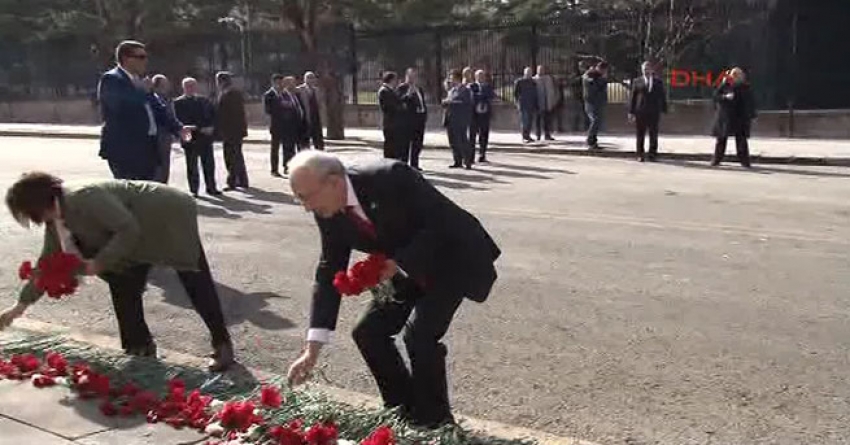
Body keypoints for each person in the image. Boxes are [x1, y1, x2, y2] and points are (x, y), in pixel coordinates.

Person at [284, 151, 501, 429]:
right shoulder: (327, 210)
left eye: (306, 196)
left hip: (451, 256)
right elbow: (329, 271)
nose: (305, 206)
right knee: (368, 332)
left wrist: (398, 263)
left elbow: (440, 225)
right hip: (400, 260)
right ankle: (404, 412)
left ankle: (437, 424)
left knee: (419, 337)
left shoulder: (389, 177)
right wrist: (312, 349)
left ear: (334, 182)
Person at [0, 173, 235, 372]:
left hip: (165, 215)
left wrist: (98, 264)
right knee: (122, 282)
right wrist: (18, 308)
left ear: (39, 204)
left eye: (31, 213)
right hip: (133, 229)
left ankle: (221, 344)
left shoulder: (84, 197)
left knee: (194, 279)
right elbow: (47, 264)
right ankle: (139, 348)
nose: (36, 221)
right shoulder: (56, 219)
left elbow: (127, 228)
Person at [97, 40, 192, 180]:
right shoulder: (112, 79)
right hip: (125, 149)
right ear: (126, 58)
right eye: (141, 57)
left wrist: (178, 128)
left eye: (146, 57)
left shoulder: (140, 81)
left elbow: (157, 108)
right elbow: (119, 107)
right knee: (133, 194)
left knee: (148, 192)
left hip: (147, 148)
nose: (145, 61)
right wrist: (143, 92)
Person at [173, 78, 221, 197]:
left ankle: (211, 187)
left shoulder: (204, 100)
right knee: (192, 165)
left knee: (209, 164)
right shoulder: (178, 103)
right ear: (183, 88)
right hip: (190, 138)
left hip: (205, 138)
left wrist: (212, 127)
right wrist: (199, 128)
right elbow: (182, 120)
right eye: (188, 86)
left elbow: (213, 115)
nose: (191, 88)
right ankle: (194, 190)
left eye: (193, 86)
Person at [711, 67, 757, 168]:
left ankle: (745, 161)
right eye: (734, 74)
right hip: (726, 117)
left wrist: (752, 114)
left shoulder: (745, 87)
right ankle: (717, 159)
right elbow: (715, 96)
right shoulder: (725, 85)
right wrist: (725, 97)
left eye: (738, 75)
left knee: (741, 140)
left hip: (740, 117)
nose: (736, 77)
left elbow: (750, 102)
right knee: (721, 139)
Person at [215, 71, 249, 190]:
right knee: (237, 155)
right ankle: (242, 180)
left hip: (231, 131)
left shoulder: (229, 93)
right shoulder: (233, 93)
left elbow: (227, 114)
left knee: (231, 157)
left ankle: (233, 181)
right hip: (235, 130)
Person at [628, 61, 668, 162]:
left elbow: (662, 96)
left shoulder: (657, 82)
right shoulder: (637, 81)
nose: (646, 71)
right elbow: (633, 97)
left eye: (647, 69)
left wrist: (664, 108)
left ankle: (652, 154)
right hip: (640, 111)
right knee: (640, 134)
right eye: (644, 69)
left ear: (651, 70)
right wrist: (631, 112)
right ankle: (640, 154)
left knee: (653, 133)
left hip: (654, 111)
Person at [264, 74, 303, 176]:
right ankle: (274, 169)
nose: (279, 85)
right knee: (275, 148)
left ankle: (287, 166)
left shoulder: (286, 94)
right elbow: (268, 110)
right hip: (276, 125)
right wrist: (281, 106)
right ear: (273, 83)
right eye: (277, 82)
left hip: (288, 125)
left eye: (281, 82)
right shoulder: (269, 95)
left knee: (288, 147)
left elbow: (293, 107)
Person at [150, 74, 182, 184]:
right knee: (159, 164)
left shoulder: (167, 99)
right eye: (164, 84)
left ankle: (163, 185)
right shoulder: (154, 99)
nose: (167, 86)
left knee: (165, 163)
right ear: (157, 86)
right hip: (158, 135)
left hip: (166, 135)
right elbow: (164, 117)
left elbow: (172, 116)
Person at [396, 68, 428, 170]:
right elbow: (399, 101)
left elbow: (422, 102)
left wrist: (424, 115)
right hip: (408, 121)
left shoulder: (419, 89)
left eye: (414, 76)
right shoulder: (402, 88)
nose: (412, 79)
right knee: (406, 144)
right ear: (406, 76)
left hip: (420, 120)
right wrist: (408, 94)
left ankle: (415, 164)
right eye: (410, 76)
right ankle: (404, 165)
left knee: (418, 143)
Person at [442, 69, 475, 169]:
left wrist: (450, 102)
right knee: (453, 141)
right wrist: (445, 103)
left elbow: (465, 103)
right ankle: (457, 161)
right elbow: (449, 102)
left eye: (451, 78)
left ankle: (467, 161)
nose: (450, 80)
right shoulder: (452, 90)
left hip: (460, 119)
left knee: (462, 140)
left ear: (457, 78)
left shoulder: (465, 90)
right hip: (450, 119)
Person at [471, 69, 496, 163]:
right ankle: (471, 155)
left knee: (484, 135)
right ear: (476, 77)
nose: (481, 77)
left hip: (485, 114)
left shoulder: (488, 86)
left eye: (482, 76)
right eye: (479, 76)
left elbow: (491, 96)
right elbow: (472, 97)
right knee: (473, 136)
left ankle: (482, 154)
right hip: (474, 114)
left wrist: (481, 96)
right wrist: (482, 96)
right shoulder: (472, 86)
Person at [583, 61, 609, 150]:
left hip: (598, 102)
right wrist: (603, 79)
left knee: (597, 121)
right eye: (604, 70)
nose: (605, 72)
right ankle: (590, 140)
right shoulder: (590, 75)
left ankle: (593, 141)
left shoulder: (598, 76)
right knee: (595, 120)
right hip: (591, 102)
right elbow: (594, 86)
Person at [297, 71, 325, 151]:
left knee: (318, 141)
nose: (311, 80)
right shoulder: (299, 90)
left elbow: (320, 104)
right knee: (304, 141)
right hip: (304, 119)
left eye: (312, 78)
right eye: (308, 78)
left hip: (316, 119)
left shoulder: (317, 91)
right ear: (304, 79)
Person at [377, 71, 402, 159]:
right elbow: (389, 106)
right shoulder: (384, 91)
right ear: (391, 80)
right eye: (395, 80)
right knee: (390, 144)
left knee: (394, 144)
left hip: (393, 122)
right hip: (390, 122)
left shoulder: (391, 90)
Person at [513, 67, 538, 143]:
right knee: (525, 121)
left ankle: (528, 135)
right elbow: (515, 93)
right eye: (527, 72)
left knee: (530, 121)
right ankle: (524, 136)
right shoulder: (519, 82)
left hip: (531, 104)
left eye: (530, 72)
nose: (529, 74)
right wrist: (517, 102)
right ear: (524, 73)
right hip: (523, 104)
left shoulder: (533, 82)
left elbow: (535, 93)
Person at [533, 65, 558, 141]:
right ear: (537, 70)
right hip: (538, 103)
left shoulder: (548, 79)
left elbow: (552, 90)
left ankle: (547, 135)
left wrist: (553, 100)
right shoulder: (534, 79)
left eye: (542, 70)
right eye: (539, 70)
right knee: (538, 121)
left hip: (547, 103)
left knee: (547, 121)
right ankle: (538, 135)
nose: (541, 71)